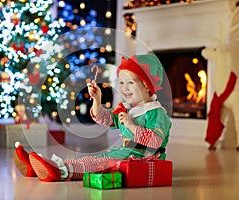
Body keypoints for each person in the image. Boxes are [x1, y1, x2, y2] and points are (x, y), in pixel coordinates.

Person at [13, 54, 172, 182]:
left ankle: (59, 171)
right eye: (121, 83)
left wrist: (131, 126)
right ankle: (41, 168)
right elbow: (106, 119)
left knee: (97, 163)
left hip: (142, 159)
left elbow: (155, 141)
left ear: (146, 84)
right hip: (123, 154)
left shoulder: (156, 113)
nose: (124, 88)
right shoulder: (129, 109)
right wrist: (97, 101)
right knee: (94, 160)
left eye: (130, 82)